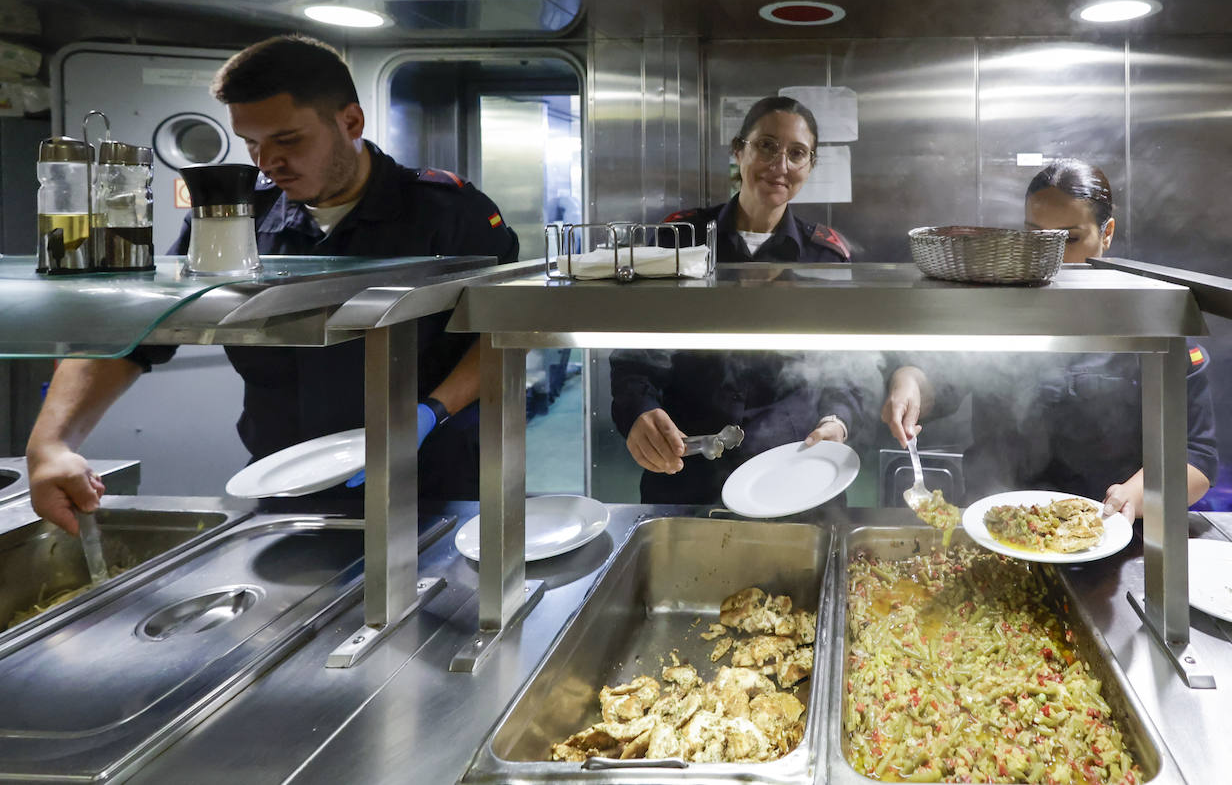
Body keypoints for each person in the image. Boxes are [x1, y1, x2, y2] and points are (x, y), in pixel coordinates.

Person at [26, 35, 520, 534]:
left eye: (287, 140)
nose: (266, 162)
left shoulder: (450, 211)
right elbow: (139, 332)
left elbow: (506, 334)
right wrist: (50, 443)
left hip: (435, 483)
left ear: (350, 122)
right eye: (251, 143)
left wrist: (430, 413)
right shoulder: (235, 221)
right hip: (283, 485)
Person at [882, 158, 1217, 522]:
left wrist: (1133, 497)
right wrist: (911, 381)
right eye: (1036, 235)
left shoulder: (1147, 320)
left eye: (1070, 238)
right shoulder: (999, 308)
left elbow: (1197, 457)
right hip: (997, 526)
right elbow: (943, 381)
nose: (1050, 251)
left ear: (1107, 233)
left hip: (1103, 533)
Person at [611, 96, 880, 504]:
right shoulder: (677, 240)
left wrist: (837, 422)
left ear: (810, 166)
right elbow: (637, 353)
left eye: (797, 153)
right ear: (739, 151)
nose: (781, 165)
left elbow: (848, 369)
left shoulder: (826, 258)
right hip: (687, 467)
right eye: (767, 146)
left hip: (795, 470)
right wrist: (637, 411)